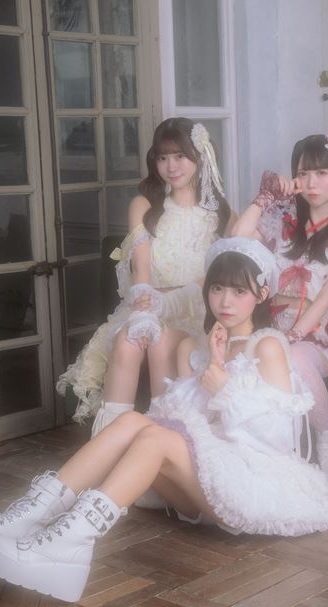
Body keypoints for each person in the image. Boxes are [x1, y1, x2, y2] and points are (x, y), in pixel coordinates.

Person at [0, 237, 328, 603]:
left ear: (262, 294)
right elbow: (182, 420)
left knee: (155, 438)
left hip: (254, 484)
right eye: (217, 288)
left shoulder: (267, 346)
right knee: (135, 423)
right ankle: (26, 518)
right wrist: (213, 366)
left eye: (239, 291)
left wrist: (225, 389)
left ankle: (71, 543)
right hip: (206, 481)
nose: (225, 301)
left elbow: (278, 440)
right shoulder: (202, 346)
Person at [227, 128, 328, 483]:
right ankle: (258, 457)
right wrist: (264, 198)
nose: (311, 183)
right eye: (303, 173)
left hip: (327, 329)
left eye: (322, 173)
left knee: (294, 357)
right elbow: (236, 241)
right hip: (274, 325)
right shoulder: (282, 221)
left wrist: (293, 335)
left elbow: (325, 298)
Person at [57, 117, 231, 435]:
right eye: (163, 158)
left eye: (180, 156)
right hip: (148, 301)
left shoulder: (220, 213)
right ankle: (109, 444)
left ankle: (161, 437)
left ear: (201, 155)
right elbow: (141, 269)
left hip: (196, 310)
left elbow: (226, 271)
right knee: (129, 341)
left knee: (160, 344)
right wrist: (143, 303)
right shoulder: (144, 205)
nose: (171, 166)